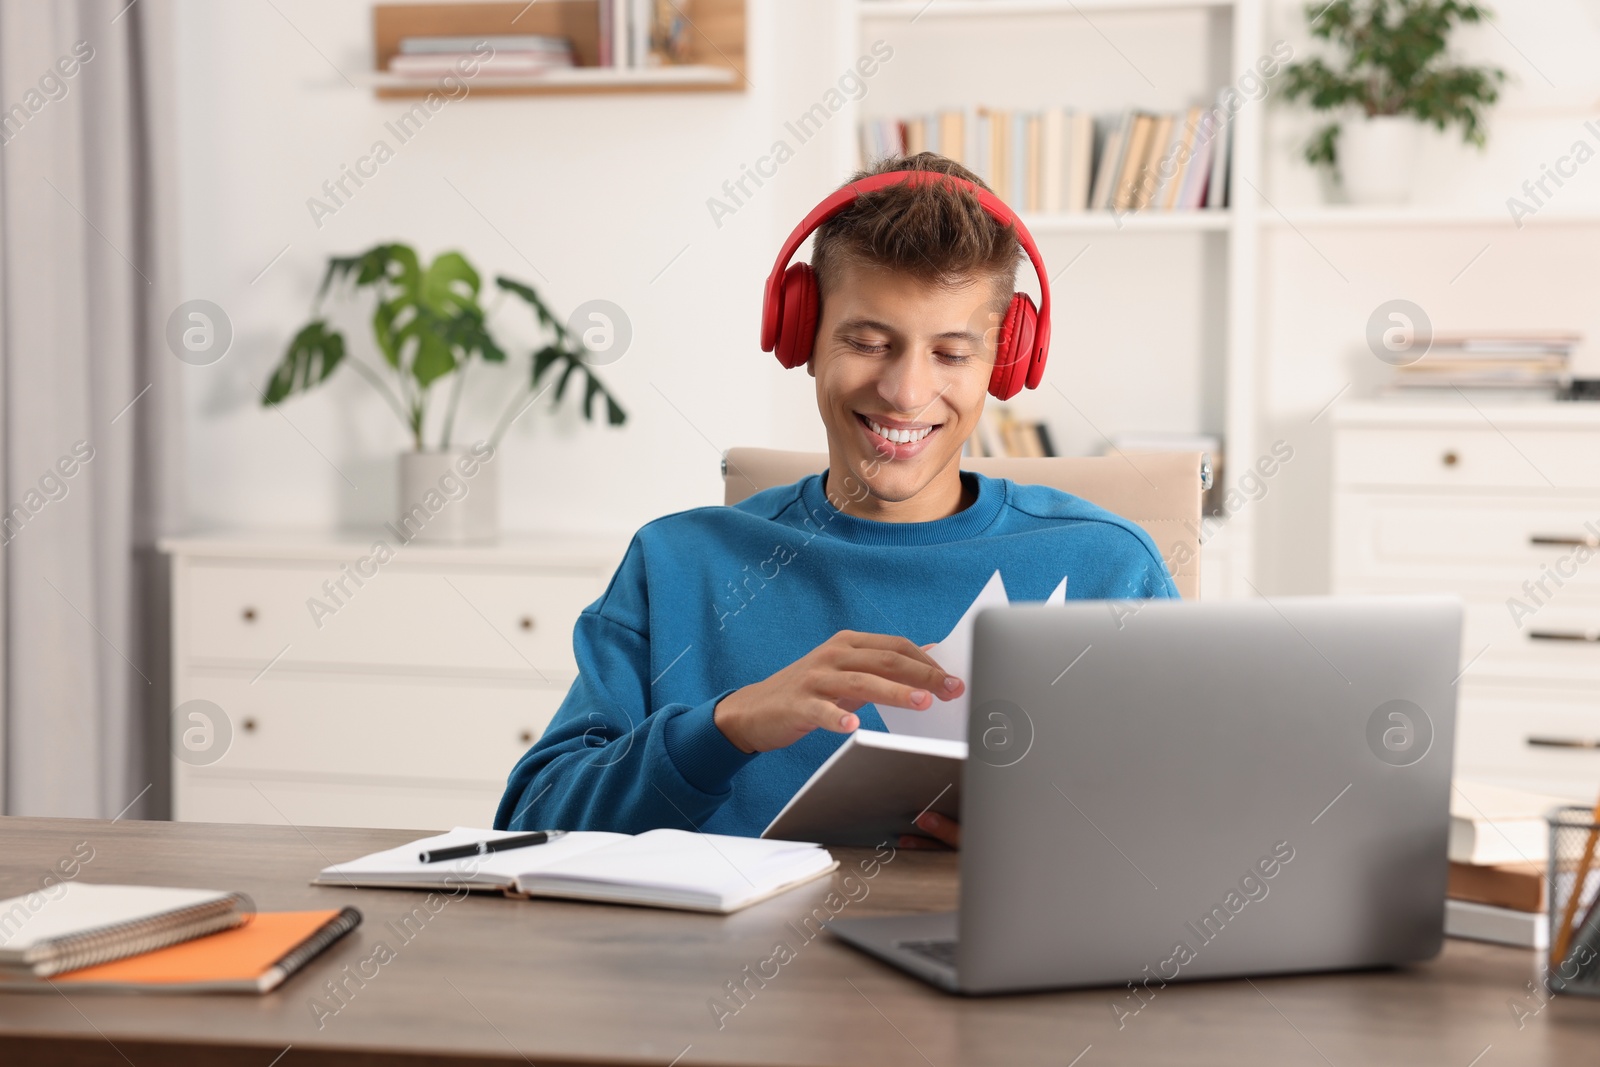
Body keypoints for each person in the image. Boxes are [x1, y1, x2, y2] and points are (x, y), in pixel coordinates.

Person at [494, 152, 1178, 848]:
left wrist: (1049, 847)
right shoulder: (675, 563)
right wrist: (726, 725)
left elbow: (1194, 841)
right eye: (869, 341)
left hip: (974, 952)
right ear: (803, 338)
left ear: (1004, 362)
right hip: (714, 957)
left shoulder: (1109, 570)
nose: (907, 392)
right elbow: (532, 824)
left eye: (950, 353)